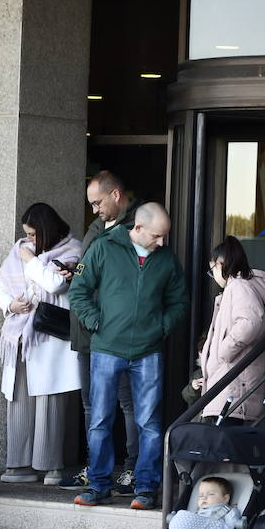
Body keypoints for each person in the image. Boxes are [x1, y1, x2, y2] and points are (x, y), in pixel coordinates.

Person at [69, 202, 189, 510]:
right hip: (107, 348)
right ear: (137, 228)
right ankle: (98, 485)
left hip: (148, 350)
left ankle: (145, 487)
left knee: (149, 422)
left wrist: (161, 327)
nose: (162, 242)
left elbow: (179, 301)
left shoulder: (167, 260)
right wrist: (95, 322)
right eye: (157, 236)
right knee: (99, 419)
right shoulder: (103, 248)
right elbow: (79, 290)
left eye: (165, 236)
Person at [59, 171, 141, 493]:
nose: (94, 210)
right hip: (85, 331)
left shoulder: (139, 227)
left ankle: (132, 468)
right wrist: (73, 275)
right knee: (91, 404)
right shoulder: (95, 229)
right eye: (91, 204)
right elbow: (87, 272)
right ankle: (95, 468)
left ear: (116, 195)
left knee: (127, 403)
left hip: (116, 334)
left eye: (98, 202)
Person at [0, 202, 82, 484]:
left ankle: (51, 466)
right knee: (18, 398)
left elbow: (55, 284)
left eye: (34, 234)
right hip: (19, 335)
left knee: (50, 399)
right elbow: (1, 285)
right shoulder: (21, 247)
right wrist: (11, 304)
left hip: (49, 335)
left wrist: (30, 260)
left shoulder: (72, 250)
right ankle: (18, 464)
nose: (29, 239)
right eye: (27, 234)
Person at [193, 237, 265, 422]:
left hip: (232, 385)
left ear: (221, 264)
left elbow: (250, 323)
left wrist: (223, 352)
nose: (213, 276)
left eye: (212, 269)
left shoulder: (238, 286)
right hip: (231, 382)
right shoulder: (238, 287)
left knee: (224, 442)